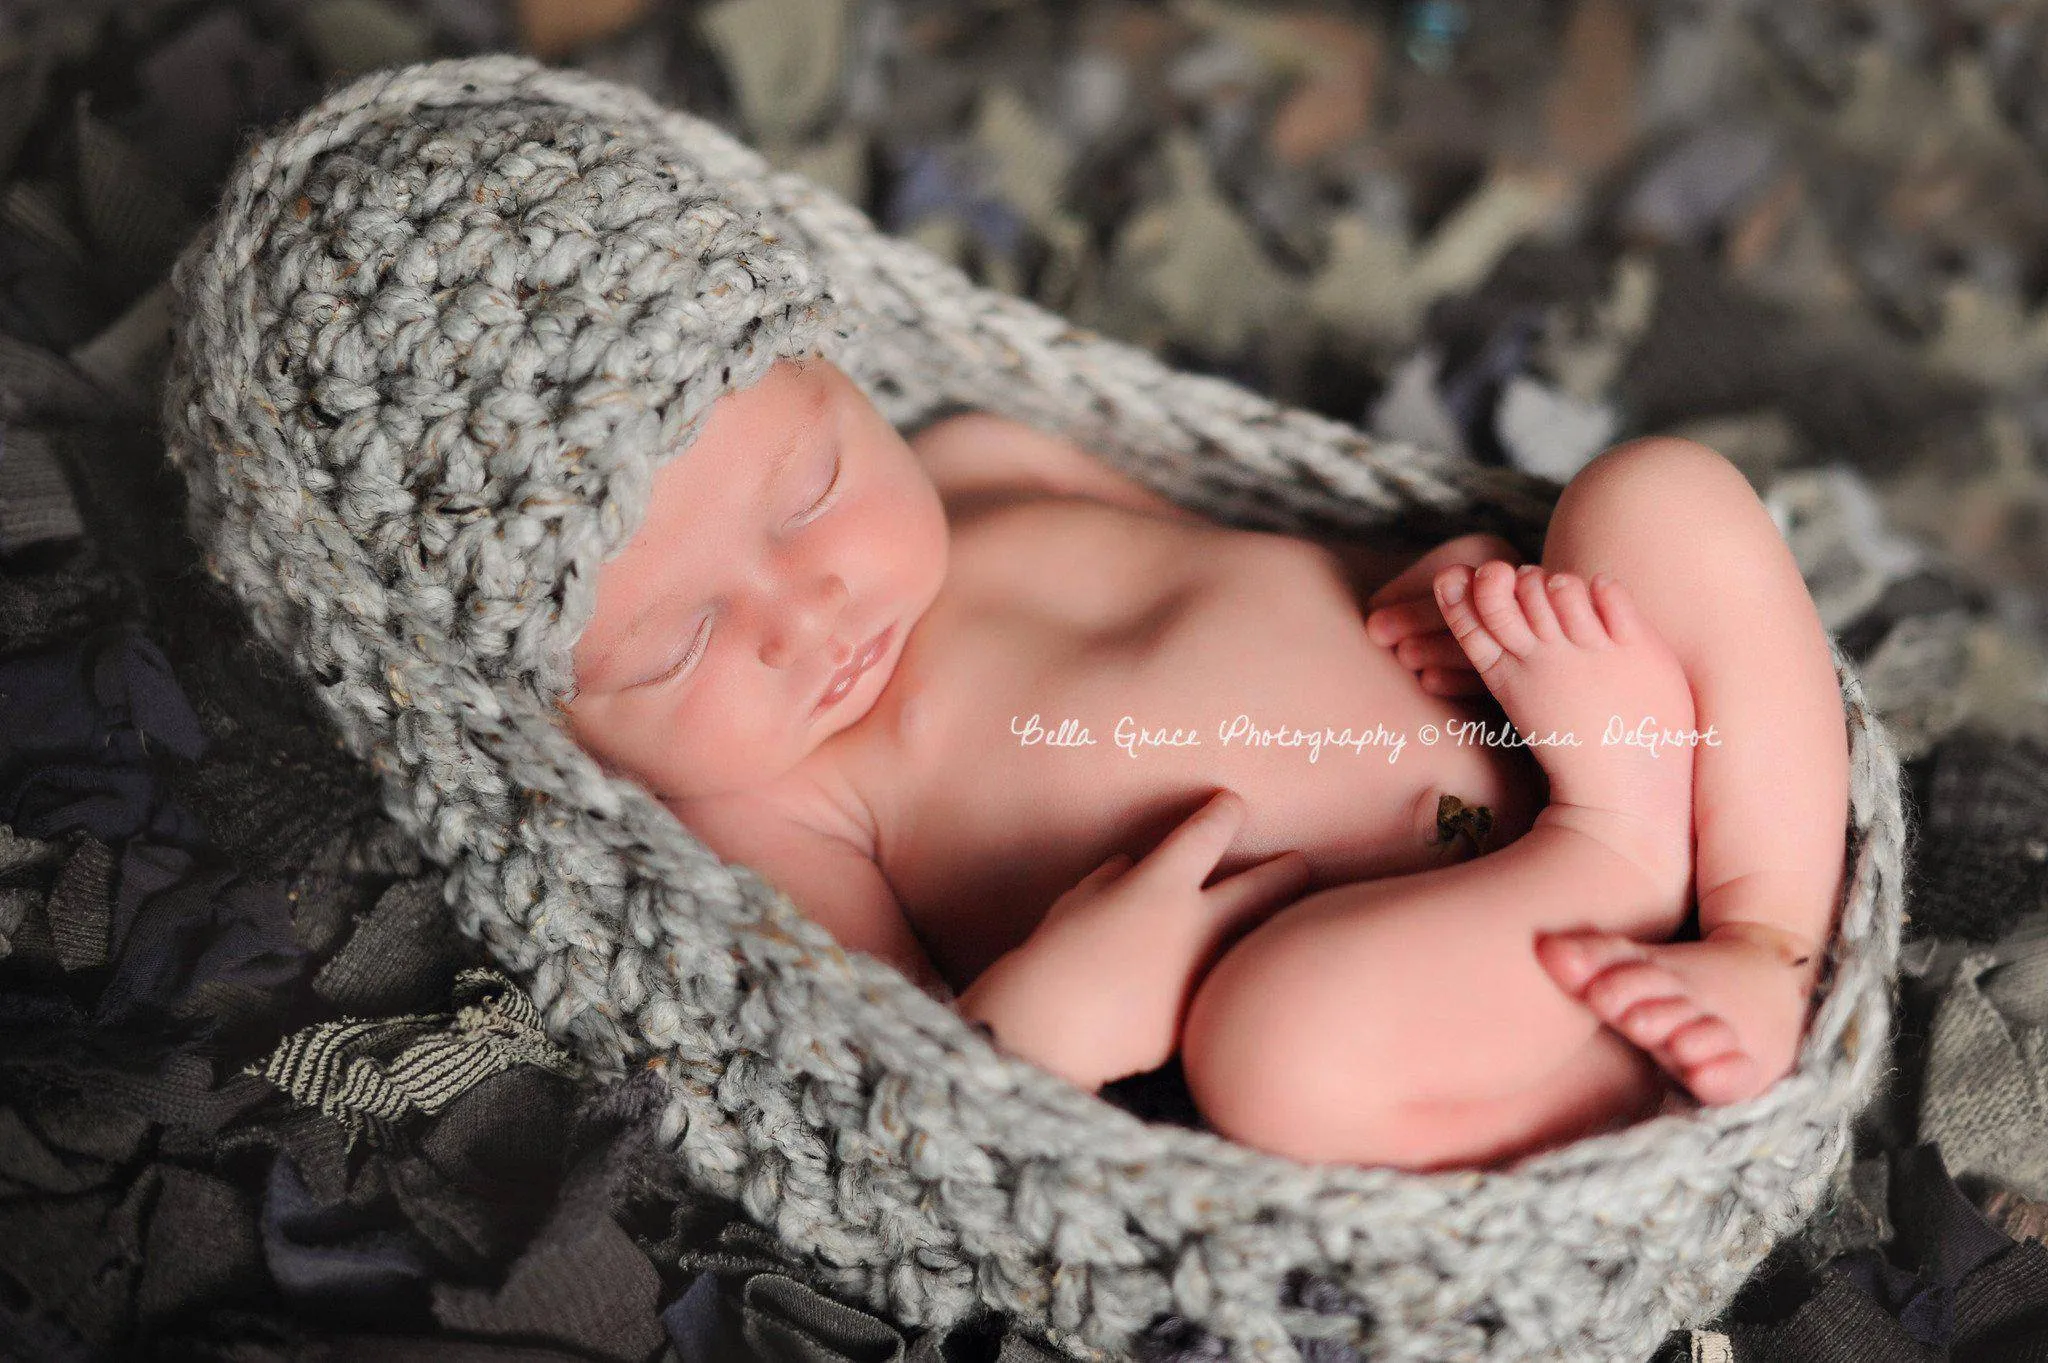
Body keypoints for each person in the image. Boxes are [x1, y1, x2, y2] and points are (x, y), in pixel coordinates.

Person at [557, 349, 1849, 1172]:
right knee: (1274, 1051)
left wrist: (1453, 591)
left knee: (1656, 493)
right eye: (677, 647)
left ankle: (1763, 933)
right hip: (1457, 981)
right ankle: (1622, 865)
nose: (804, 614)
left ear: (842, 374)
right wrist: (1044, 1020)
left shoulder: (981, 459)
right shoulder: (764, 798)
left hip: (1589, 711)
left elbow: (1258, 561)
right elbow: (896, 1088)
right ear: (561, 723)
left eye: (809, 492)